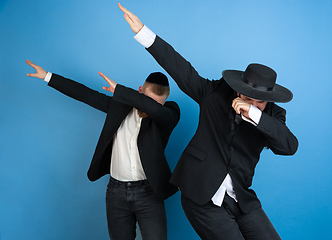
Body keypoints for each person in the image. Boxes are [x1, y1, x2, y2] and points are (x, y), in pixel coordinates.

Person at [118, 4, 299, 240]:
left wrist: (255, 116)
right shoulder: (215, 94)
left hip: (241, 198)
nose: (251, 104)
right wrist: (143, 32)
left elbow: (289, 146)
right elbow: (182, 70)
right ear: (238, 90)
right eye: (246, 98)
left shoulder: (273, 117)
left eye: (259, 102)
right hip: (200, 194)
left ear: (269, 100)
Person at [26, 59, 180, 240]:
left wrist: (123, 92)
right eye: (146, 100)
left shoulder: (169, 113)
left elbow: (158, 111)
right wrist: (48, 77)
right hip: (116, 193)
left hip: (149, 193)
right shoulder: (120, 107)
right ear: (139, 90)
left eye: (157, 104)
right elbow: (85, 94)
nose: (150, 108)